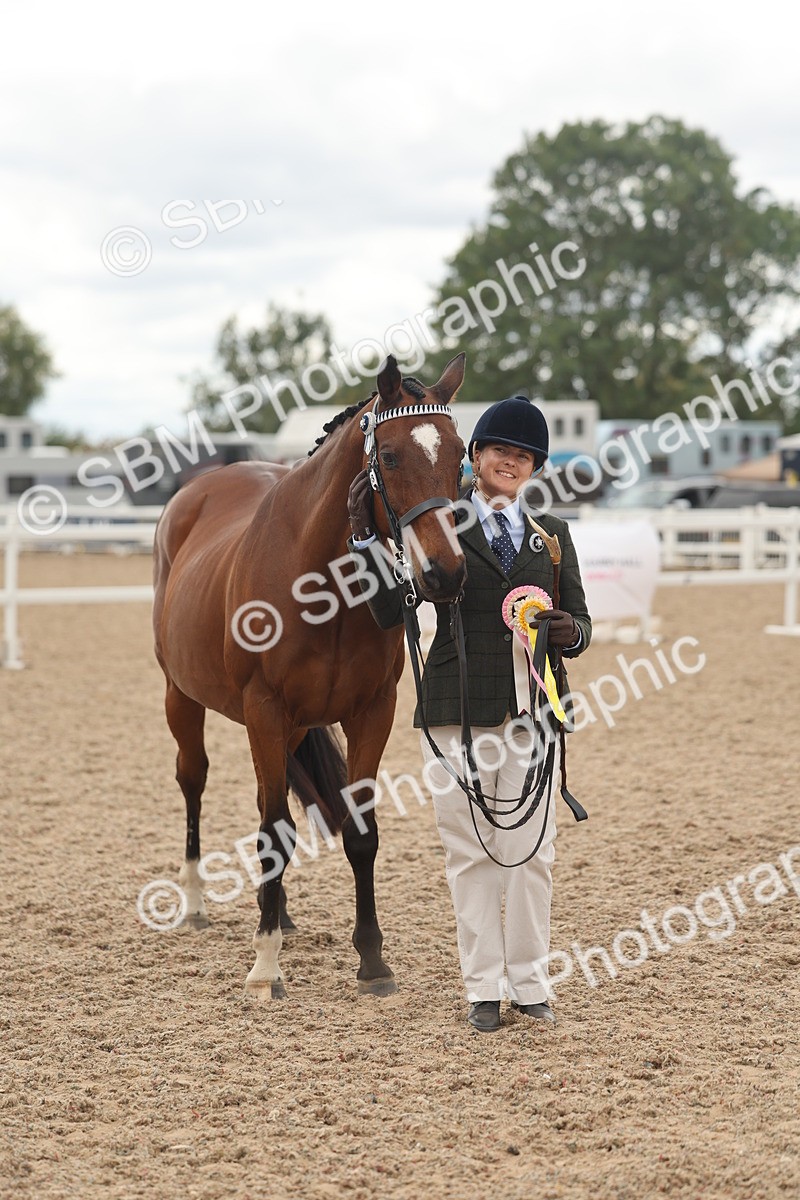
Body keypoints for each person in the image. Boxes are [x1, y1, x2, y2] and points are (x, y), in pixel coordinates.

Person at [347, 394, 591, 1032]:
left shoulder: (553, 539)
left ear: (533, 467)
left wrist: (571, 633)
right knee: (471, 851)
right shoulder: (436, 526)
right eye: (499, 451)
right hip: (456, 712)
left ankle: (532, 981)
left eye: (522, 455)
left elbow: (583, 621)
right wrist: (366, 544)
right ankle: (483, 985)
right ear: (475, 457)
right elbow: (386, 610)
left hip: (535, 711)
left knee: (533, 854)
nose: (510, 462)